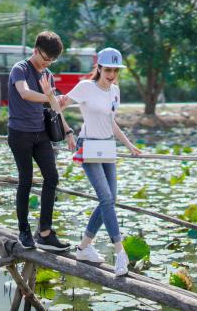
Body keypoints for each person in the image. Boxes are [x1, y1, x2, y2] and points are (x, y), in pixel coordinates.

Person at [57, 47, 141, 277]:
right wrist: (68, 133)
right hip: (89, 146)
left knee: (110, 199)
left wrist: (129, 145)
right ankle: (120, 253)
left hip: (107, 147)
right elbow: (57, 106)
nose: (112, 74)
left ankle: (83, 247)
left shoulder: (115, 91)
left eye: (115, 70)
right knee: (106, 198)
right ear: (99, 68)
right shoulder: (85, 87)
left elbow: (111, 123)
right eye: (108, 69)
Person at [7, 31, 76, 251]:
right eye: (45, 58)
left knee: (52, 177)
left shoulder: (47, 74)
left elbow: (54, 108)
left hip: (41, 133)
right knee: (25, 180)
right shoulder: (20, 69)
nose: (47, 63)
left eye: (52, 60)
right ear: (35, 50)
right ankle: (24, 230)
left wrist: (68, 131)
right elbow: (25, 93)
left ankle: (45, 233)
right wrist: (49, 97)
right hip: (19, 134)